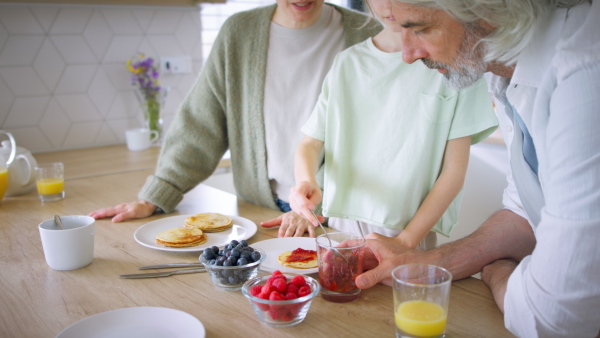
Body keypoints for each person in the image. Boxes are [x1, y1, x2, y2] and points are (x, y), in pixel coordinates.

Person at [354, 0, 600, 336]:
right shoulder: (501, 69)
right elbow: (523, 214)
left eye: (420, 28)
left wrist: (499, 272)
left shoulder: (586, 71)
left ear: (487, 9)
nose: (408, 54)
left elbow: (554, 319)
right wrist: (428, 263)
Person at [89, 0, 382, 238]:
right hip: (260, 212)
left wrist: (313, 202)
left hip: (339, 218)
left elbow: (375, 136)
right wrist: (158, 193)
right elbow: (201, 124)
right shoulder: (239, 32)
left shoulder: (370, 32)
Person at [287, 0, 497, 247]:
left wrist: (405, 242)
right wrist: (305, 181)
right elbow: (311, 143)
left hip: (412, 233)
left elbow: (453, 173)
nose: (388, 5)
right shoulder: (347, 63)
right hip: (341, 225)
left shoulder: (456, 65)